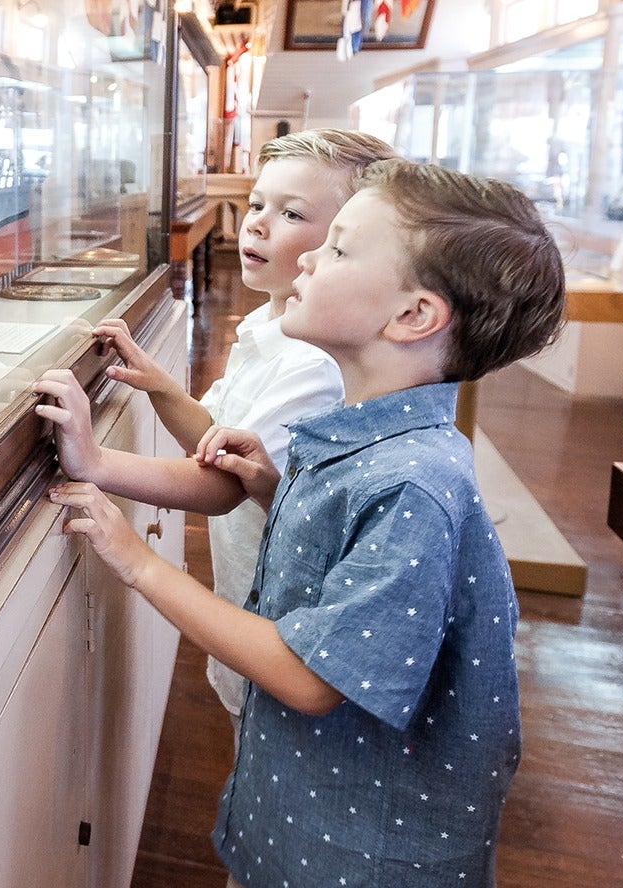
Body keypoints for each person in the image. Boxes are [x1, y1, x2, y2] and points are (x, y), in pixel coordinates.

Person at [33, 160, 567, 886]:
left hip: (357, 853)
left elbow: (313, 677)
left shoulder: (413, 482)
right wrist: (269, 488)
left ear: (413, 316)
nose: (309, 257)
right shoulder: (366, 438)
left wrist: (137, 560)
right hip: (306, 810)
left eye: (340, 248)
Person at [90, 129, 396, 722]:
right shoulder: (270, 322)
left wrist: (96, 463)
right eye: (257, 204)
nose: (256, 224)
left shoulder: (313, 360)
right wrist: (162, 387)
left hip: (281, 616)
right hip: (251, 591)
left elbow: (222, 487)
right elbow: (221, 441)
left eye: (291, 213)